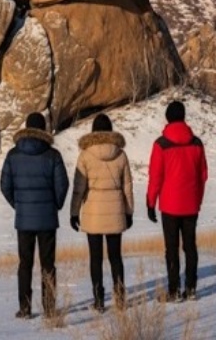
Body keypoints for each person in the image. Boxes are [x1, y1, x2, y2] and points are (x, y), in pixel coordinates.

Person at [0, 112, 70, 320]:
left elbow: (5, 186)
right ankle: (49, 308)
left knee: (25, 264)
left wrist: (19, 205)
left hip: (24, 220)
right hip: (47, 219)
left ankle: (25, 308)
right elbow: (63, 185)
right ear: (43, 129)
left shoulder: (13, 155)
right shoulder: (52, 155)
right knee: (48, 264)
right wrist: (54, 205)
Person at [70, 113, 133, 313]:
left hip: (93, 211)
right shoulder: (121, 154)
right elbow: (128, 187)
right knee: (116, 257)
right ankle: (120, 298)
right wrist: (129, 212)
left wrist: (74, 212)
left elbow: (79, 188)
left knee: (95, 258)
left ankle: (98, 300)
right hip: (115, 209)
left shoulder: (86, 155)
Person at [146, 100, 208, 302]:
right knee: (190, 247)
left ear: (167, 118)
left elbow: (155, 177)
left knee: (171, 249)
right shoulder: (196, 143)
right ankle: (190, 289)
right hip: (190, 205)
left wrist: (150, 203)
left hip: (170, 206)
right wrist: (197, 200)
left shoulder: (161, 144)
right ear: (183, 117)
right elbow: (203, 176)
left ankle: (173, 291)